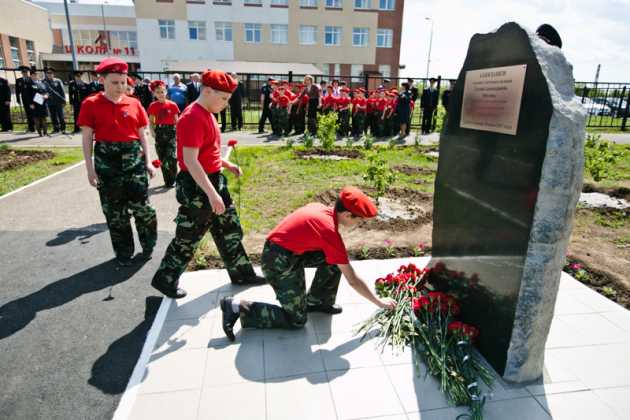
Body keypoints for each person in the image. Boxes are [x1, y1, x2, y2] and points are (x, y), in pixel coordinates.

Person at [219, 186, 396, 338]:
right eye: (360, 221)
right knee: (296, 321)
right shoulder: (328, 231)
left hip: (286, 252)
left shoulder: (322, 209)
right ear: (348, 215)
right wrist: (379, 303)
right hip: (277, 262)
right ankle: (237, 307)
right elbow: (353, 280)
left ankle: (317, 301)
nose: (360, 224)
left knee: (335, 259)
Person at [151, 69, 264, 299]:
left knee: (229, 229)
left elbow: (208, 152)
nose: (225, 104)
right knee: (190, 235)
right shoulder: (192, 117)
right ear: (208, 90)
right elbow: (191, 161)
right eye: (223, 98)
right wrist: (212, 195)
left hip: (213, 180)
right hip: (197, 186)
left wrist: (226, 165)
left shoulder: (208, 113)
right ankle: (165, 278)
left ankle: (242, 272)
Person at [78, 57, 157, 267]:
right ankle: (124, 253)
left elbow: (143, 135)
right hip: (107, 165)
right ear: (101, 80)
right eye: (114, 82)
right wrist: (90, 169)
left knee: (144, 210)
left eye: (123, 82)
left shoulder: (135, 103)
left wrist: (148, 162)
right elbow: (87, 138)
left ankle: (148, 246)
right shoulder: (91, 104)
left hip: (134, 162)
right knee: (115, 214)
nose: (120, 87)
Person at [147, 80, 180, 188]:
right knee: (162, 158)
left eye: (162, 91)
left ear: (166, 92)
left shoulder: (172, 105)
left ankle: (174, 179)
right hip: (160, 132)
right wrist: (152, 132)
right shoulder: (153, 105)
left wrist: (178, 134)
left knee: (171, 157)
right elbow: (151, 121)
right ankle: (168, 181)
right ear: (154, 94)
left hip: (171, 132)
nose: (161, 94)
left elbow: (177, 121)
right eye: (158, 92)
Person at [43, 67, 67, 134]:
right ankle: (56, 129)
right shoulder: (44, 81)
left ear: (53, 74)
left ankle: (63, 129)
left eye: (50, 73)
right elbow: (43, 91)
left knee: (61, 116)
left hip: (58, 101)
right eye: (48, 73)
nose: (49, 74)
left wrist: (63, 100)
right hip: (50, 102)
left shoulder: (58, 81)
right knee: (53, 116)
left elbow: (62, 91)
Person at [30, 69, 50, 137]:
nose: (35, 76)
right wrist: (31, 104)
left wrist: (46, 95)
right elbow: (28, 95)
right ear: (31, 75)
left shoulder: (42, 83)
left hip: (43, 103)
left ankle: (45, 132)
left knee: (44, 119)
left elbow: (46, 91)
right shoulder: (29, 84)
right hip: (35, 104)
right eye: (34, 75)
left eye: (36, 74)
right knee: (37, 119)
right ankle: (39, 133)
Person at [15, 66, 35, 132]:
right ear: (21, 73)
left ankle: (36, 126)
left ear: (27, 72)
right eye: (23, 72)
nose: (25, 73)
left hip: (32, 100)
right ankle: (31, 128)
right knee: (28, 113)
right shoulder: (18, 80)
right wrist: (18, 99)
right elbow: (17, 91)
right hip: (24, 100)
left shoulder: (31, 79)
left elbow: (34, 90)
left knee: (33, 113)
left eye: (26, 72)